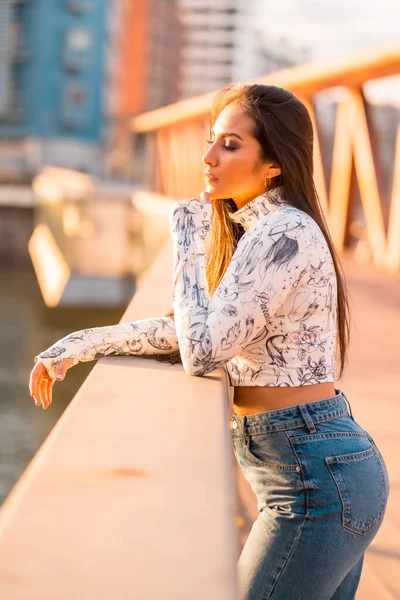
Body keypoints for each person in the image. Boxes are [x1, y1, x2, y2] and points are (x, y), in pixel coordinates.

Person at [29, 84, 389, 599]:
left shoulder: (284, 233)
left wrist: (188, 239)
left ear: (273, 165)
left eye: (230, 144)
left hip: (315, 480)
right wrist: (81, 343)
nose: (208, 156)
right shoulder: (260, 233)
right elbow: (189, 327)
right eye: (212, 140)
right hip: (317, 468)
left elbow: (202, 351)